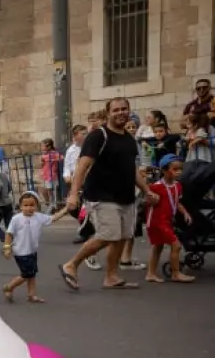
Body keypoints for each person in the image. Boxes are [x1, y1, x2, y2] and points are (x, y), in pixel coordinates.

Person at [60, 97, 160, 290]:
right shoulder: (99, 136)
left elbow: (132, 169)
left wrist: (147, 190)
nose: (120, 113)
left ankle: (111, 276)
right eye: (116, 110)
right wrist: (73, 194)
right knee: (108, 235)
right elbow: (82, 165)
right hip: (101, 196)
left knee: (122, 236)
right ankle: (71, 264)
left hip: (125, 196)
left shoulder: (129, 139)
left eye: (124, 109)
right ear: (108, 113)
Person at [2, 192, 70, 303]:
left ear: (37, 206)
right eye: (26, 205)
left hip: (32, 251)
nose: (29, 208)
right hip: (20, 252)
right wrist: (7, 248)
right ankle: (9, 287)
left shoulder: (39, 217)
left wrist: (66, 209)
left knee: (32, 274)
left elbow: (53, 218)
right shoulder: (16, 219)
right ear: (20, 207)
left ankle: (31, 295)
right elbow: (9, 234)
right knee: (26, 274)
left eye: (32, 205)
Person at [145, 155, 195, 283]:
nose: (179, 172)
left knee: (158, 246)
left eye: (180, 169)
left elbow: (176, 202)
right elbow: (147, 202)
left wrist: (185, 213)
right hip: (157, 221)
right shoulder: (156, 187)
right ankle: (176, 273)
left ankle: (150, 274)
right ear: (165, 170)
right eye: (175, 169)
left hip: (167, 220)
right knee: (176, 245)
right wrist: (150, 200)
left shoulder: (178, 186)